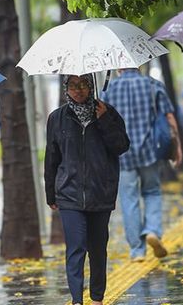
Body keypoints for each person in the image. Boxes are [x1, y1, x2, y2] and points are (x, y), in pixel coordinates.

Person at [44, 74, 130, 305]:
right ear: (66, 88)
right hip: (69, 193)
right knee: (76, 247)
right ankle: (76, 300)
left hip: (100, 191)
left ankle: (97, 298)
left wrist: (104, 121)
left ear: (91, 86)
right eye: (73, 85)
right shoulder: (57, 118)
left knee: (98, 249)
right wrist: (50, 193)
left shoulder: (108, 112)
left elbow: (121, 146)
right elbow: (51, 157)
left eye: (83, 85)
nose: (79, 90)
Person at [102, 68, 182, 262]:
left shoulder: (108, 90)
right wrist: (177, 146)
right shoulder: (153, 85)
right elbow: (169, 117)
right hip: (150, 151)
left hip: (122, 153)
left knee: (129, 200)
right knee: (152, 191)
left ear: (119, 67)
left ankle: (137, 251)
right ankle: (152, 230)